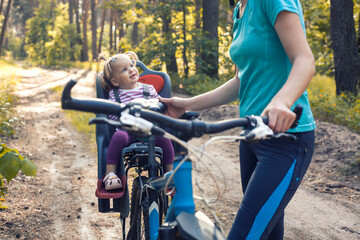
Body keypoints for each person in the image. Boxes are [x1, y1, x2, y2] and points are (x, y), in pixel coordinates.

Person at [160, 0, 316, 239]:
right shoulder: (239, 10)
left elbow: (304, 60)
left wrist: (281, 102)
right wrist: (187, 104)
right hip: (252, 133)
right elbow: (241, 80)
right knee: (267, 231)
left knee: (244, 234)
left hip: (286, 137)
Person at [99, 51, 174, 190]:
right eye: (124, 70)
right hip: (128, 132)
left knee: (165, 137)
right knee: (118, 137)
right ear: (115, 81)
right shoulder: (114, 94)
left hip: (150, 130)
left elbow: (160, 105)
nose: (131, 70)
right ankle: (110, 174)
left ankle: (169, 174)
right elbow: (112, 116)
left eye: (131, 66)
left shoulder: (149, 89)